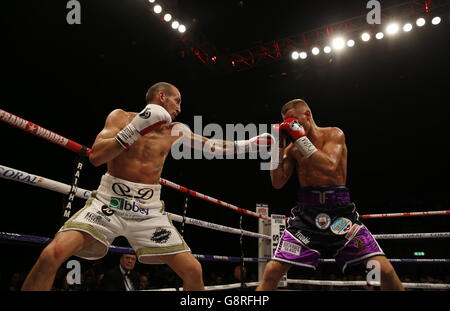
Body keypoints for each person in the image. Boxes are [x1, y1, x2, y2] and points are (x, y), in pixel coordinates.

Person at [21, 82, 269, 291]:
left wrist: (250, 144)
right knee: (51, 255)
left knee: (193, 270)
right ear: (161, 97)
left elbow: (214, 146)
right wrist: (135, 129)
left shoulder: (175, 130)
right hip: (109, 202)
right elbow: (96, 157)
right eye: (177, 101)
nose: (179, 109)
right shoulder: (121, 117)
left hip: (148, 210)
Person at [256, 99, 404, 291]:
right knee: (272, 271)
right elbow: (277, 183)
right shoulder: (292, 149)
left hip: (341, 215)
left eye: (293, 119)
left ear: (307, 115)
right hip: (306, 217)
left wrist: (300, 138)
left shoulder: (334, 134)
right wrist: (277, 149)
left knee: (384, 271)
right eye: (286, 122)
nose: (289, 125)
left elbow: (329, 166)